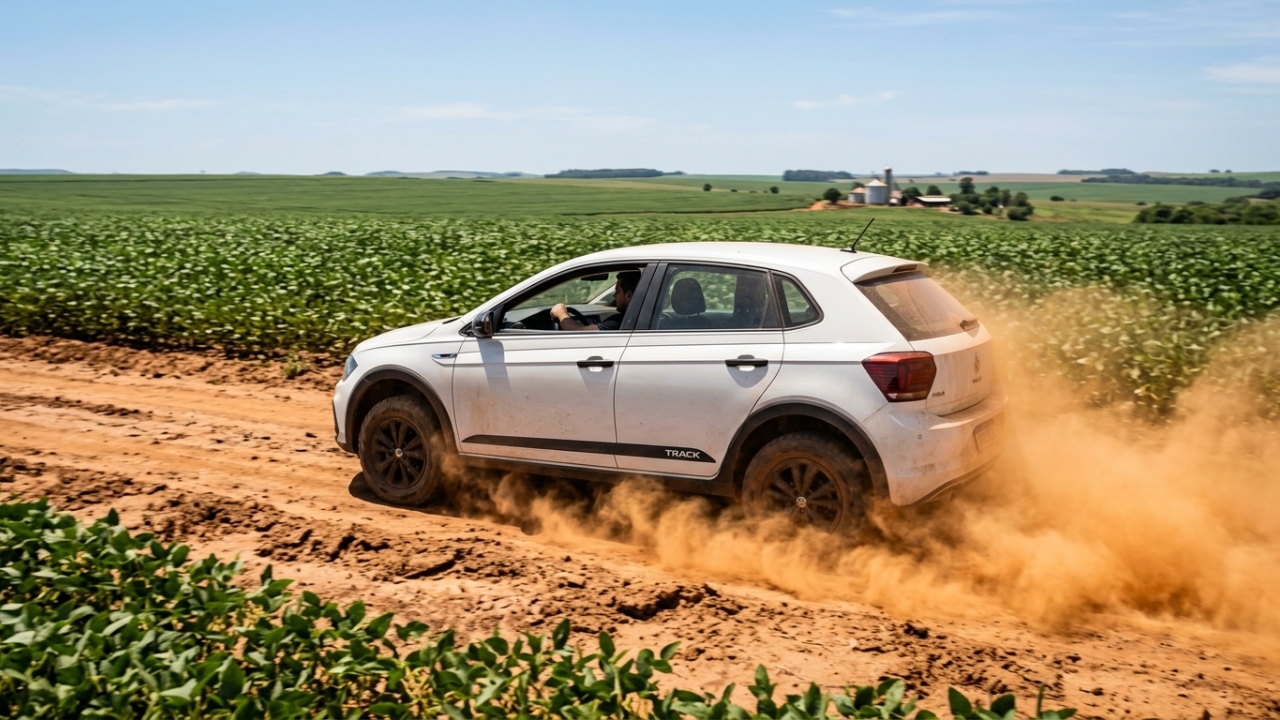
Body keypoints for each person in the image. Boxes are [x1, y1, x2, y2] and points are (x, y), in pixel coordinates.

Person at [551, 270, 641, 331]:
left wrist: (561, 314)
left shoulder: (623, 321)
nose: (614, 295)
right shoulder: (639, 317)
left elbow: (583, 333)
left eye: (617, 291)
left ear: (628, 295)